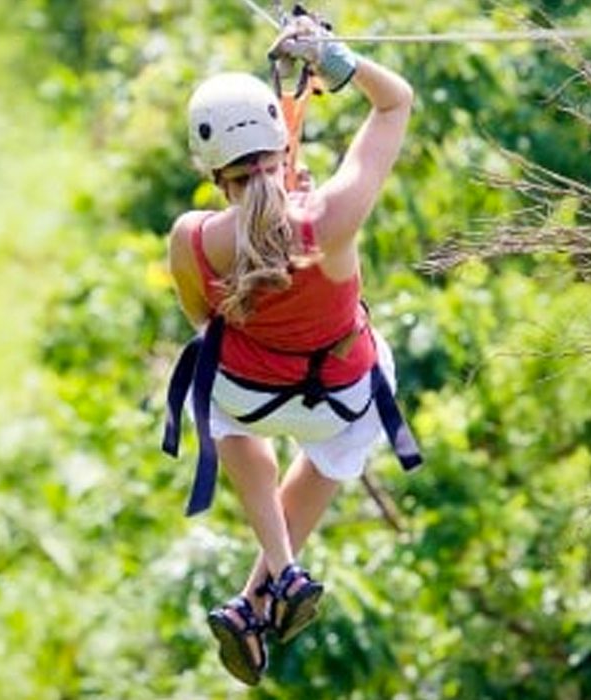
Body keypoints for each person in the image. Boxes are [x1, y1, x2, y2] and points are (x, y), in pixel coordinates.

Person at [162, 16, 418, 686]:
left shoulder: (191, 239)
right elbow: (397, 102)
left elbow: (203, 316)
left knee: (210, 382)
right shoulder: (332, 217)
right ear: (280, 144)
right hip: (341, 394)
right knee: (338, 442)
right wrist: (339, 62)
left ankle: (274, 581)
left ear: (210, 168)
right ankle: (263, 589)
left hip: (248, 392)